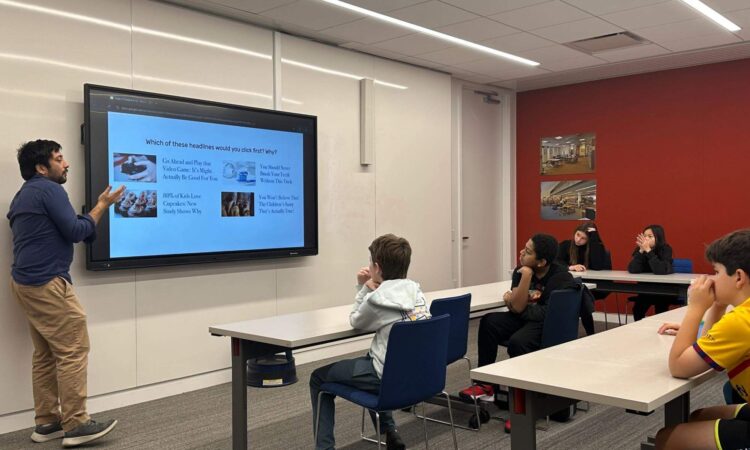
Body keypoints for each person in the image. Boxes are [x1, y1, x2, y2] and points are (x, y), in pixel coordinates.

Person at [7, 140, 123, 447]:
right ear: (41, 168)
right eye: (59, 159)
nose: (66, 163)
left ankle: (47, 423)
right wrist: (101, 206)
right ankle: (76, 424)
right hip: (46, 283)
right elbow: (75, 232)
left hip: (25, 282)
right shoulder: (48, 189)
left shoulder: (23, 194)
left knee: (45, 354)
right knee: (73, 348)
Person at [309, 234, 430, 450]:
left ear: (377, 267)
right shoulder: (417, 292)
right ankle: (390, 433)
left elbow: (356, 320)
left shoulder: (377, 299)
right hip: (418, 374)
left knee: (318, 378)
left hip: (387, 378)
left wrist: (363, 287)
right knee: (373, 357)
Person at [655, 229, 750, 450]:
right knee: (698, 416)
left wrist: (695, 308)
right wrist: (718, 305)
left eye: (715, 271)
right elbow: (705, 346)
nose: (710, 279)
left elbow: (679, 366)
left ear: (738, 277)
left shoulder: (741, 321)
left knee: (667, 438)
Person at [459, 234, 576, 401]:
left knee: (518, 342)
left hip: (545, 324)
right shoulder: (520, 271)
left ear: (541, 262)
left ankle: (522, 403)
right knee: (489, 322)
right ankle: (486, 384)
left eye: (527, 251)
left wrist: (518, 295)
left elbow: (543, 313)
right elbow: (517, 307)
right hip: (525, 318)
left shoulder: (560, 277)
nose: (521, 252)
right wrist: (524, 279)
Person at [557, 222, 612, 335]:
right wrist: (570, 267)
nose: (578, 240)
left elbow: (597, 266)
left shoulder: (595, 248)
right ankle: (589, 333)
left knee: (582, 296)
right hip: (572, 284)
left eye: (583, 238)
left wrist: (594, 238)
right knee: (580, 296)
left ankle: (587, 333)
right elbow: (555, 262)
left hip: (595, 287)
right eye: (577, 235)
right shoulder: (566, 245)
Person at [627, 224, 674, 321]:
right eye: (644, 236)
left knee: (661, 310)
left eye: (650, 236)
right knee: (637, 309)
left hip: (663, 290)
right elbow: (632, 269)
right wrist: (640, 251)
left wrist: (648, 250)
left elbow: (660, 270)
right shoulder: (640, 250)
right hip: (646, 289)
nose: (646, 239)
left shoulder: (665, 249)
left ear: (658, 237)